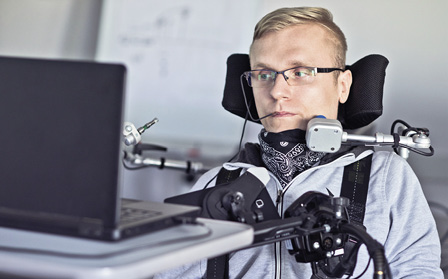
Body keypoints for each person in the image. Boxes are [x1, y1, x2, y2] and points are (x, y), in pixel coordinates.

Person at [154, 7, 443, 278]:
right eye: (264, 74)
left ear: (342, 86)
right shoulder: (213, 185)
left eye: (301, 72)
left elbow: (418, 271)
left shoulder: (386, 177)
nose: (277, 91)